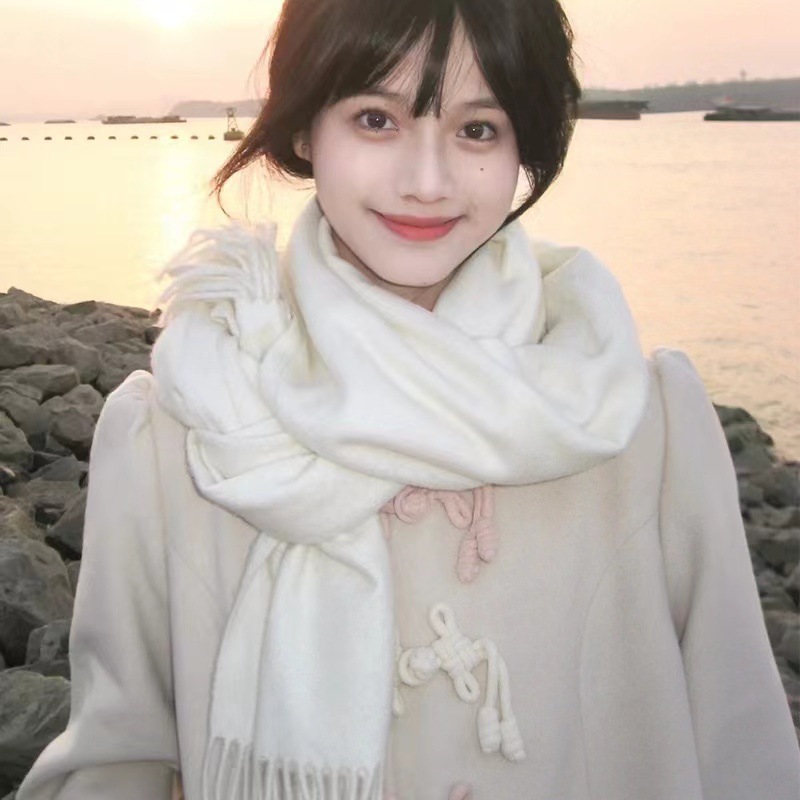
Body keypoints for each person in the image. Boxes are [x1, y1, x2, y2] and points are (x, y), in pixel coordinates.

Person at [16, 0, 800, 798]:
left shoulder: (647, 425)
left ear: (525, 143)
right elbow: (118, 765)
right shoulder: (176, 432)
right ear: (304, 129)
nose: (427, 182)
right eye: (375, 120)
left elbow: (745, 756)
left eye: (477, 129)